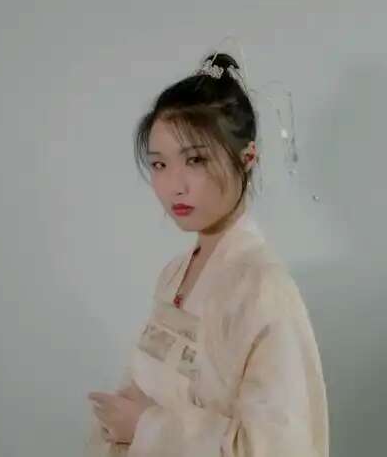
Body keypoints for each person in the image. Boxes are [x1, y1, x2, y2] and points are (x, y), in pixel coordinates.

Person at [84, 52, 329, 457]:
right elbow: (137, 395)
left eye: (195, 160)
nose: (174, 186)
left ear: (247, 158)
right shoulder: (173, 274)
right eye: (159, 165)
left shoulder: (263, 288)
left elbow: (278, 448)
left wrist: (145, 428)